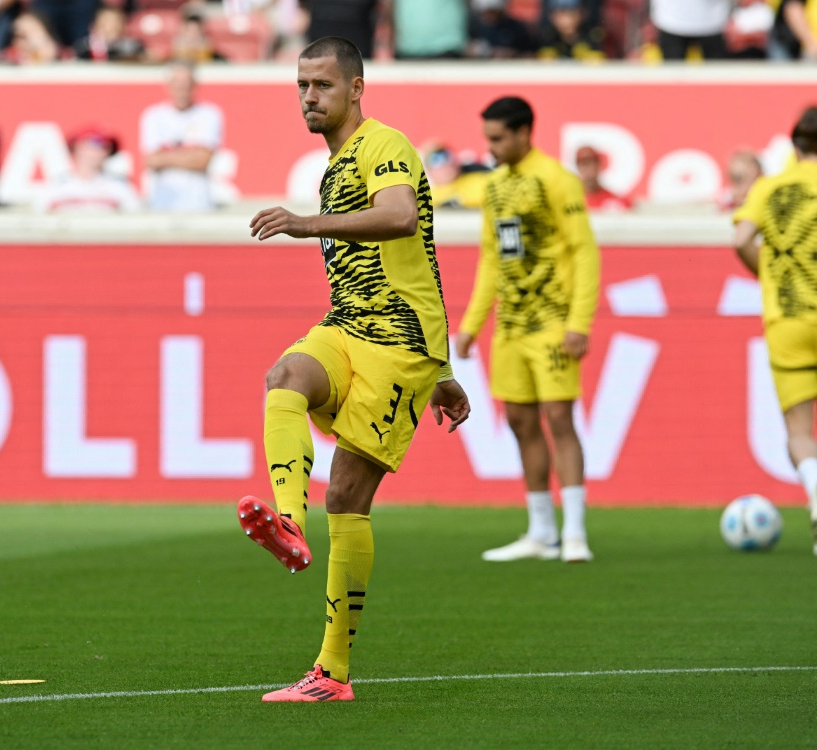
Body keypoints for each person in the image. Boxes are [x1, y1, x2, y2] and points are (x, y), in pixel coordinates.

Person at [239, 36, 470, 702]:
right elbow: (421, 261)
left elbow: (401, 219)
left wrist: (307, 225)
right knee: (284, 377)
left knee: (348, 499)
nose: (310, 97)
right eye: (302, 86)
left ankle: (332, 674)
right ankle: (288, 520)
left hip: (398, 344)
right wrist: (448, 373)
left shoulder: (383, 144)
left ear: (356, 89)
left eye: (323, 85)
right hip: (348, 326)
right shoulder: (335, 164)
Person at [456, 96, 600, 564]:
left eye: (498, 138)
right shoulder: (494, 187)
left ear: (523, 134)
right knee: (520, 422)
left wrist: (579, 322)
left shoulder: (557, 180)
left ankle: (575, 532)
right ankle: (542, 532)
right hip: (511, 328)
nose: (491, 148)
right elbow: (491, 260)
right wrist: (472, 325)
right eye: (488, 138)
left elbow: (584, 252)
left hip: (554, 324)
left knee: (559, 419)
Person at [733, 106, 817, 557]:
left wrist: (767, 275)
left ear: (795, 144)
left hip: (789, 319)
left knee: (800, 429)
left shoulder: (771, 187)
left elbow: (741, 239)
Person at [138, 62, 224, 212]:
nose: (182, 90)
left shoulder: (209, 114)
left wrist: (166, 155)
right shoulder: (153, 115)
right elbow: (151, 160)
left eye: (186, 85)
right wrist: (191, 154)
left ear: (195, 86)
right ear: (168, 85)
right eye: (177, 84)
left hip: (199, 203)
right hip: (161, 203)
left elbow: (202, 161)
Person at [34, 126, 140, 213]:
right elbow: (38, 218)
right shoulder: (56, 185)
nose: (102, 150)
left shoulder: (119, 186)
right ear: (77, 146)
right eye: (96, 142)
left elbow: (136, 219)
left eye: (107, 146)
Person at [650, 0, 729, 59]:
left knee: (716, 76)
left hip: (715, 22)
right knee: (673, 77)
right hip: (669, 22)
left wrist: (739, 19)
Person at [536, 0, 606, 61]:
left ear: (582, 14)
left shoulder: (592, 38)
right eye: (561, 13)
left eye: (571, 13)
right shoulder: (545, 38)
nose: (566, 20)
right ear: (551, 16)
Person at [72, 4, 145, 62]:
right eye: (106, 22)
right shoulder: (83, 47)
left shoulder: (134, 47)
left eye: (116, 22)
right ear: (95, 25)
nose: (111, 27)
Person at [466, 0, 536, 60]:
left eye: (492, 12)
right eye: (485, 12)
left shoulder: (516, 28)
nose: (489, 15)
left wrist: (512, 54)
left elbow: (531, 53)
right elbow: (467, 50)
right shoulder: (476, 27)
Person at [576, 145, 630, 212]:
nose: (589, 168)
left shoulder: (614, 202)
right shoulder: (572, 200)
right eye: (584, 164)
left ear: (598, 165)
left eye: (593, 163)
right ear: (578, 168)